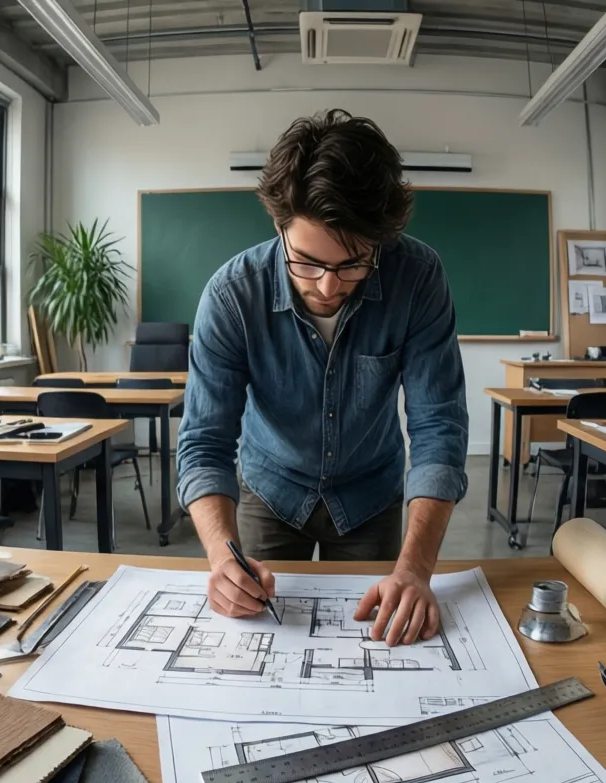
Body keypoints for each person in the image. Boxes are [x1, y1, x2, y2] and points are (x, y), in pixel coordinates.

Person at [176, 109, 468, 647]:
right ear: (278, 225)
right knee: (256, 636)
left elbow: (438, 427)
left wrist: (417, 570)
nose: (329, 287)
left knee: (378, 646)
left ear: (382, 239)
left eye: (354, 264)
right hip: (270, 489)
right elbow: (204, 441)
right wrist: (222, 558)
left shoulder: (418, 278)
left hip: (370, 495)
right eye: (306, 262)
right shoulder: (231, 295)